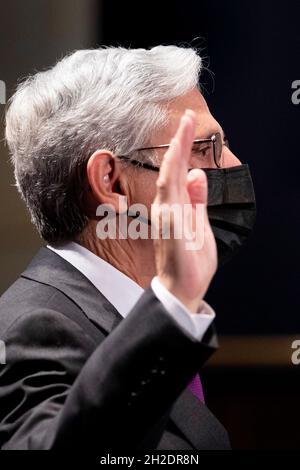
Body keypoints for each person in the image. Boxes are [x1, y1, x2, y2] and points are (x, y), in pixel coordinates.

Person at [0, 45, 255, 450]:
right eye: (205, 148)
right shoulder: (31, 331)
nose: (232, 163)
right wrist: (173, 301)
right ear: (112, 182)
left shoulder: (129, 316)